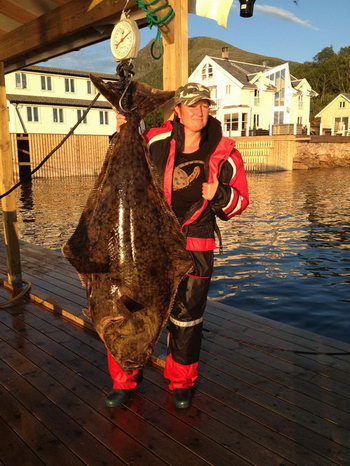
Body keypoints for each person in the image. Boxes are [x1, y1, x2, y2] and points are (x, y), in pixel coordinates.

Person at [105, 82, 249, 409]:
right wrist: (124, 127)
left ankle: (181, 381)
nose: (199, 112)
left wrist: (221, 195)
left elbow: (239, 203)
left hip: (195, 247)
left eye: (204, 106)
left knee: (186, 319)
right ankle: (124, 379)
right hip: (149, 244)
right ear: (178, 111)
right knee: (131, 314)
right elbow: (123, 160)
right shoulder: (156, 139)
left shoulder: (226, 152)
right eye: (192, 106)